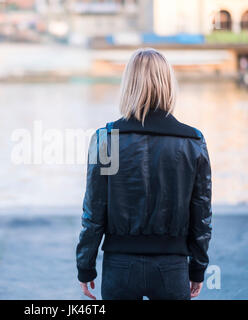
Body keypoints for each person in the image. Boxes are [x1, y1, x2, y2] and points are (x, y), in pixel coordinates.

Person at [76, 48, 212, 300]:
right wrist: (198, 268)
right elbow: (201, 214)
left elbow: (94, 212)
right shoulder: (193, 141)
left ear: (129, 85)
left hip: (120, 265)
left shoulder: (107, 139)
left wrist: (86, 266)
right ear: (168, 84)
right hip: (172, 266)